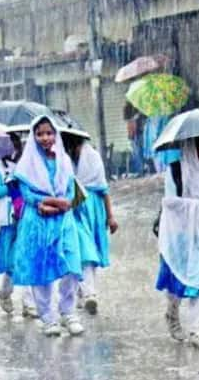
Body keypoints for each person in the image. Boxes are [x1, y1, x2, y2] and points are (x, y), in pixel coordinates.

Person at [11, 116, 84, 337]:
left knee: (71, 265)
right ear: (33, 136)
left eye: (49, 133)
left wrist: (60, 204)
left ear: (56, 134)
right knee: (41, 268)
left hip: (63, 220)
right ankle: (47, 317)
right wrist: (51, 204)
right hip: (37, 220)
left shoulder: (64, 161)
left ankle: (68, 312)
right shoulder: (27, 163)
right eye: (40, 133)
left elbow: (70, 192)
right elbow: (26, 194)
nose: (45, 138)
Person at [155, 138, 199, 349]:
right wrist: (195, 206)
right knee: (176, 282)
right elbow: (170, 202)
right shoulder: (173, 170)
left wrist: (191, 206)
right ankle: (172, 314)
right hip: (177, 235)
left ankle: (196, 330)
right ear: (191, 148)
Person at [62, 132, 119, 315]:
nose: (74, 151)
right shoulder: (63, 160)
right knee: (83, 249)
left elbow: (104, 189)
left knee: (90, 252)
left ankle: (83, 291)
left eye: (75, 147)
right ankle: (89, 293)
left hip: (94, 210)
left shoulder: (93, 158)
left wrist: (110, 216)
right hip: (74, 210)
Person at [0, 132, 38, 318]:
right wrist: (11, 183)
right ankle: (5, 292)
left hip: (24, 217)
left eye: (14, 146)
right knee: (11, 263)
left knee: (24, 258)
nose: (12, 150)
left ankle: (28, 304)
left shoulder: (23, 166)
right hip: (7, 220)